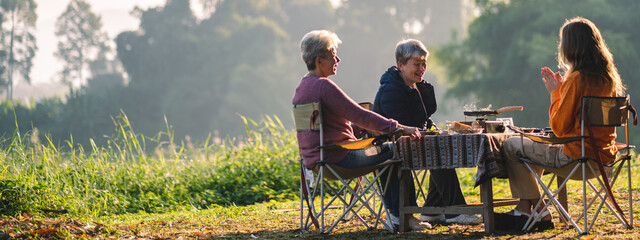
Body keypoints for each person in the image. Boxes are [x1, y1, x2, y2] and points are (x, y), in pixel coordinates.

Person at [292, 30, 431, 230]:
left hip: (315, 161)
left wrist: (367, 129)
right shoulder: (324, 87)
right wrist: (399, 127)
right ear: (320, 60)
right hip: (339, 158)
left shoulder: (302, 88)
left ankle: (399, 214)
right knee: (396, 150)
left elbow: (338, 124)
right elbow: (359, 114)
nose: (337, 59)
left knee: (387, 148)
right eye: (333, 54)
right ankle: (402, 216)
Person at [502, 17, 626, 222]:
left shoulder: (576, 78)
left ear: (571, 46)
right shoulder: (609, 79)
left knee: (511, 145)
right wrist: (562, 90)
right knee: (531, 146)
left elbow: (559, 128)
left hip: (576, 158)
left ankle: (537, 207)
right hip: (603, 159)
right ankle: (526, 207)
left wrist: (555, 93)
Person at [372, 39, 482, 225]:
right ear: (401, 65)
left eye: (424, 64)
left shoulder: (416, 86)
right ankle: (455, 209)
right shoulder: (391, 90)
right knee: (437, 148)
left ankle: (433, 208)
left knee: (440, 143)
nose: (422, 68)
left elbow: (423, 120)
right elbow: (401, 125)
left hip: (413, 143)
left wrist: (436, 131)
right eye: (417, 64)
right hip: (391, 148)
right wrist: (431, 134)